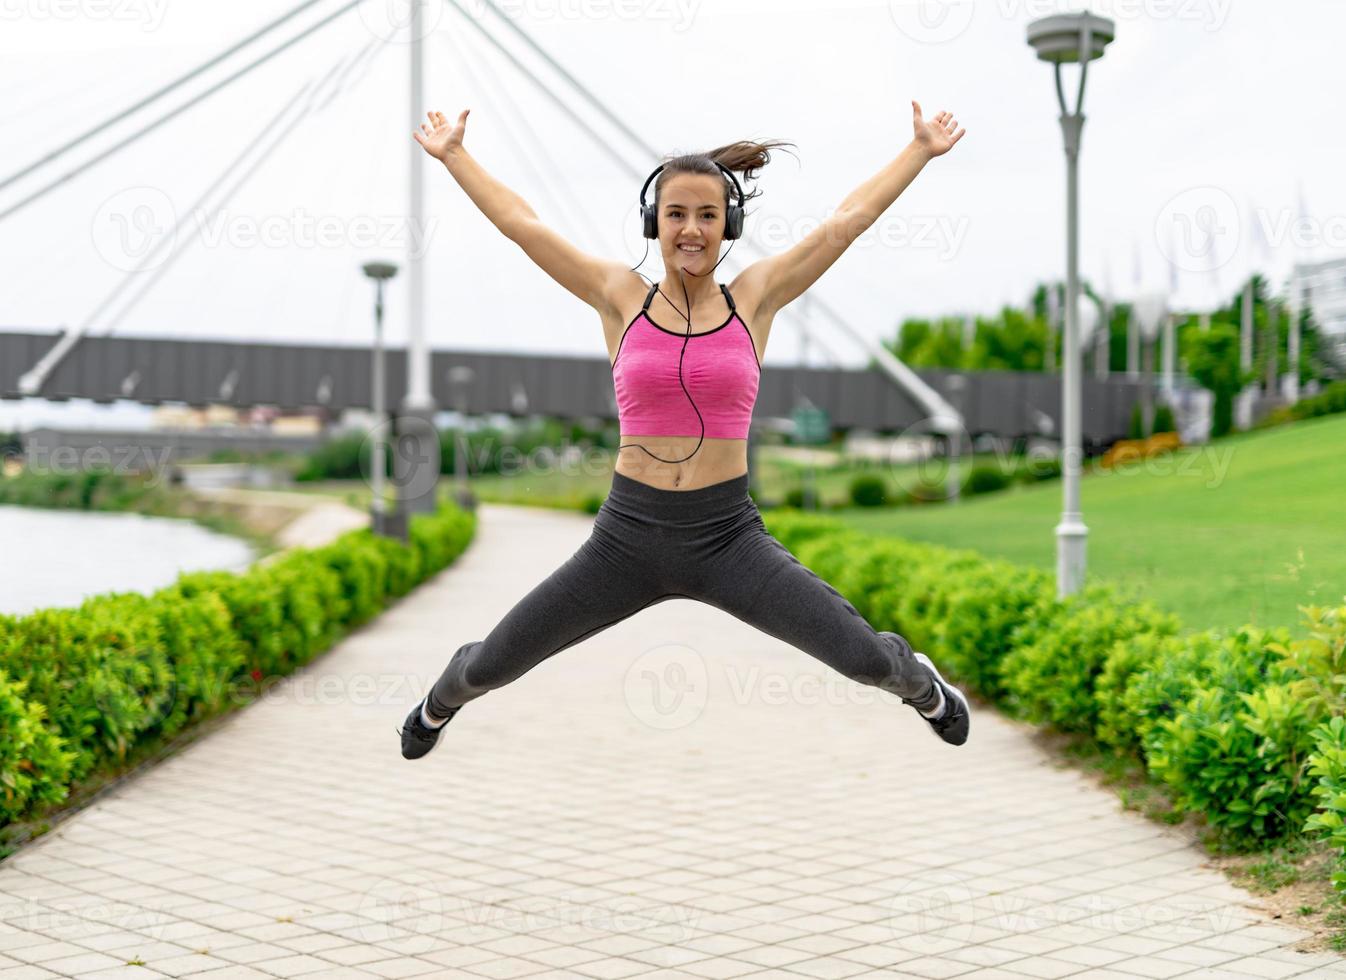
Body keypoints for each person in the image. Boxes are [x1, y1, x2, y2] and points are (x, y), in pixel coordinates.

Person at [398, 100, 969, 760]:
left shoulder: (754, 296)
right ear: (653, 222)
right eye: (676, 214)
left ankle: (925, 689)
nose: (691, 229)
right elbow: (521, 225)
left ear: (729, 222)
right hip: (625, 539)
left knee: (865, 659)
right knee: (491, 664)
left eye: (707, 214)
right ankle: (437, 705)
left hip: (727, 537)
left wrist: (919, 151)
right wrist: (456, 155)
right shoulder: (618, 295)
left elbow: (847, 224)